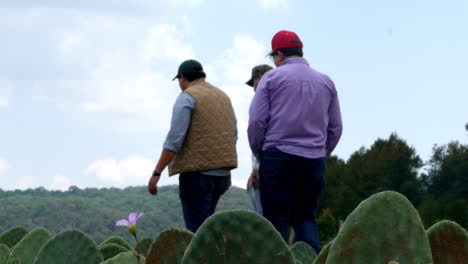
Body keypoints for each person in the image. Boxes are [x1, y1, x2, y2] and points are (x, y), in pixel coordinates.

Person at [248, 30, 343, 253]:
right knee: (305, 218)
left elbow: (256, 122)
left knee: (276, 222)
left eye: (273, 57)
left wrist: (261, 153)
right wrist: (320, 151)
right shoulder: (326, 82)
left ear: (279, 54)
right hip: (313, 160)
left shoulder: (271, 78)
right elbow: (336, 127)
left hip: (277, 156)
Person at [148, 59, 238, 233]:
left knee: (196, 234)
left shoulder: (187, 97)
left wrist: (156, 173)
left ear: (182, 78)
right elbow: (233, 133)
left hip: (197, 177)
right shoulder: (223, 96)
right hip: (221, 176)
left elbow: (174, 140)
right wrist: (226, 170)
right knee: (207, 232)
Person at [245, 64, 273, 215]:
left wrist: (256, 169)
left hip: (267, 164)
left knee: (265, 219)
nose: (254, 87)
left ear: (261, 77)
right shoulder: (285, 97)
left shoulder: (261, 100)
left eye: (254, 81)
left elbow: (257, 132)